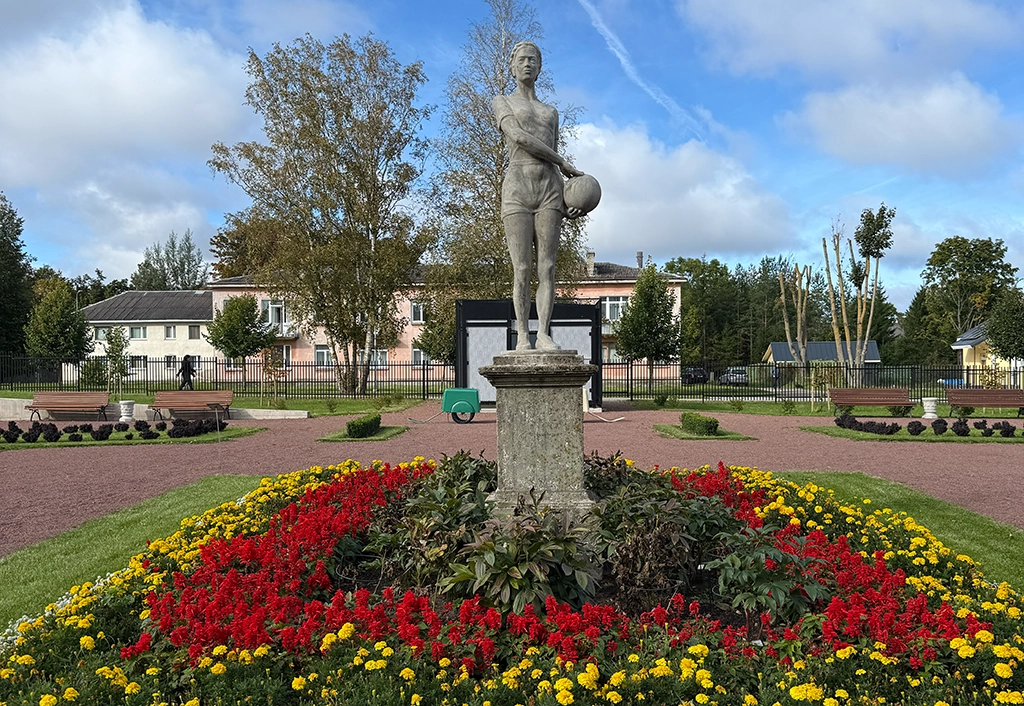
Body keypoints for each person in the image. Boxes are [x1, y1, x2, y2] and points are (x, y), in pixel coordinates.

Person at [493, 41, 584, 352]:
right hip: (517, 187)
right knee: (522, 268)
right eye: (522, 59)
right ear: (512, 66)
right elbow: (518, 137)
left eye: (533, 59)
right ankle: (522, 336)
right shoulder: (502, 101)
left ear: (540, 66)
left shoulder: (550, 112)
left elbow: (552, 156)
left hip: (549, 189)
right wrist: (562, 162)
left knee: (547, 267)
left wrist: (567, 197)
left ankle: (543, 333)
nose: (528, 64)